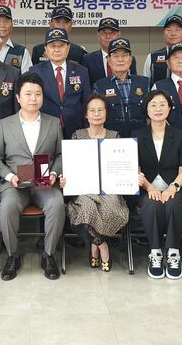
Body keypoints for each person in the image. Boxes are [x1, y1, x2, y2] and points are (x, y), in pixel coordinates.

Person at [0, 72, 65, 281]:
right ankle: (13, 255)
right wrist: (9, 176)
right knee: (6, 207)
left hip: (44, 183)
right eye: (28, 94)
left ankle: (49, 255)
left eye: (38, 94)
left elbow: (61, 154)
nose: (33, 98)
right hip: (15, 183)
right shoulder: (4, 125)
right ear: (18, 97)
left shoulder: (53, 122)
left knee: (57, 204)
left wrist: (54, 172)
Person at [61, 94, 128, 272]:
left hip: (108, 188)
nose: (96, 114)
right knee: (87, 207)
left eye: (100, 110)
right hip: (83, 189)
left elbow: (122, 165)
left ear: (106, 113)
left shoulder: (114, 136)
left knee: (111, 206)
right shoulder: (77, 136)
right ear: (86, 114)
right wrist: (66, 178)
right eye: (92, 110)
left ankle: (94, 245)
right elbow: (71, 165)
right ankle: (102, 245)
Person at [135, 90, 182, 279]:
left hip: (175, 188)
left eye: (162, 104)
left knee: (173, 203)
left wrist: (172, 187)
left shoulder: (181, 135)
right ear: (146, 109)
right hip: (146, 188)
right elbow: (135, 169)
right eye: (153, 105)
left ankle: (173, 252)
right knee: (152, 204)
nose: (158, 109)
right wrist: (149, 187)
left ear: (169, 108)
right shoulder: (137, 135)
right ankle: (155, 253)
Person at [29, 28, 92, 138]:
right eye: (52, 46)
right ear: (46, 49)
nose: (57, 50)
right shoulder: (35, 72)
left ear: (68, 48)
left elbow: (87, 103)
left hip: (76, 130)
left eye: (61, 46)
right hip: (45, 129)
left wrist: (87, 130)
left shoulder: (81, 71)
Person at [92, 38, 151, 138]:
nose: (120, 60)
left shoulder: (145, 83)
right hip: (111, 139)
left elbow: (151, 115)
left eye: (124, 55)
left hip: (141, 138)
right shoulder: (99, 86)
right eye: (115, 56)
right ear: (109, 60)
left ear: (131, 59)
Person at [81, 17, 137, 85]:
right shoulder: (88, 59)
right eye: (104, 33)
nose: (108, 37)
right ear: (98, 35)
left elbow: (134, 83)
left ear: (118, 35)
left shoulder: (129, 59)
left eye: (112, 33)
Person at [143, 14, 182, 86]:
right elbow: (145, 84)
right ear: (164, 32)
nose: (173, 33)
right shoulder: (152, 57)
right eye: (169, 30)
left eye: (177, 30)